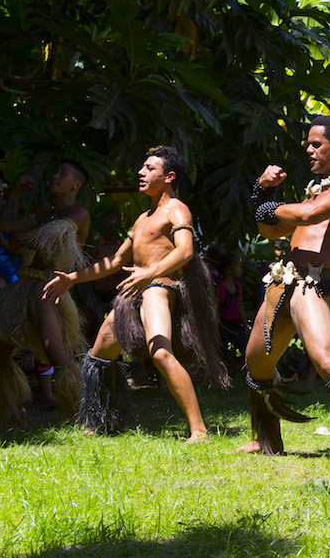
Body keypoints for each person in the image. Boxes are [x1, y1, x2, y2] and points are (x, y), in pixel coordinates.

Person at [236, 114, 330, 473]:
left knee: (329, 364)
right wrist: (263, 193)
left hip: (315, 284)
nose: (308, 150)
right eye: (307, 144)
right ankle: (266, 438)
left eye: (315, 144)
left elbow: (310, 215)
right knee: (257, 360)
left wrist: (270, 206)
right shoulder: (315, 188)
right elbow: (272, 231)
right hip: (284, 280)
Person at [44, 146, 228, 441]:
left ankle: (199, 429)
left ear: (169, 176)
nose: (141, 172)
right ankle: (101, 421)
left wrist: (150, 273)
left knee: (161, 352)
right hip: (133, 293)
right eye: (142, 167)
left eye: (149, 168)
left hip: (158, 288)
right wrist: (73, 278)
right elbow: (116, 261)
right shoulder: (143, 218)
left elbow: (185, 250)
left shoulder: (176, 209)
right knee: (99, 358)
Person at [0, 163, 92, 422]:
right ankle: (8, 410)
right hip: (23, 285)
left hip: (49, 285)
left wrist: (21, 238)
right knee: (1, 353)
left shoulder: (79, 213)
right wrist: (16, 193)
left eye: (62, 173)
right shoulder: (46, 214)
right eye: (55, 171)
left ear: (76, 185)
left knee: (57, 354)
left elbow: (42, 239)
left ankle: (83, 413)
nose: (54, 176)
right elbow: (5, 224)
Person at [217, 252, 249, 365]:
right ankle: (222, 373)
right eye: (238, 266)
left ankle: (247, 370)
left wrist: (244, 324)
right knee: (222, 352)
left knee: (245, 346)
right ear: (228, 270)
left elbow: (239, 306)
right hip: (223, 325)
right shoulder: (220, 287)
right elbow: (216, 307)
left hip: (235, 324)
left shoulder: (237, 286)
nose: (240, 269)